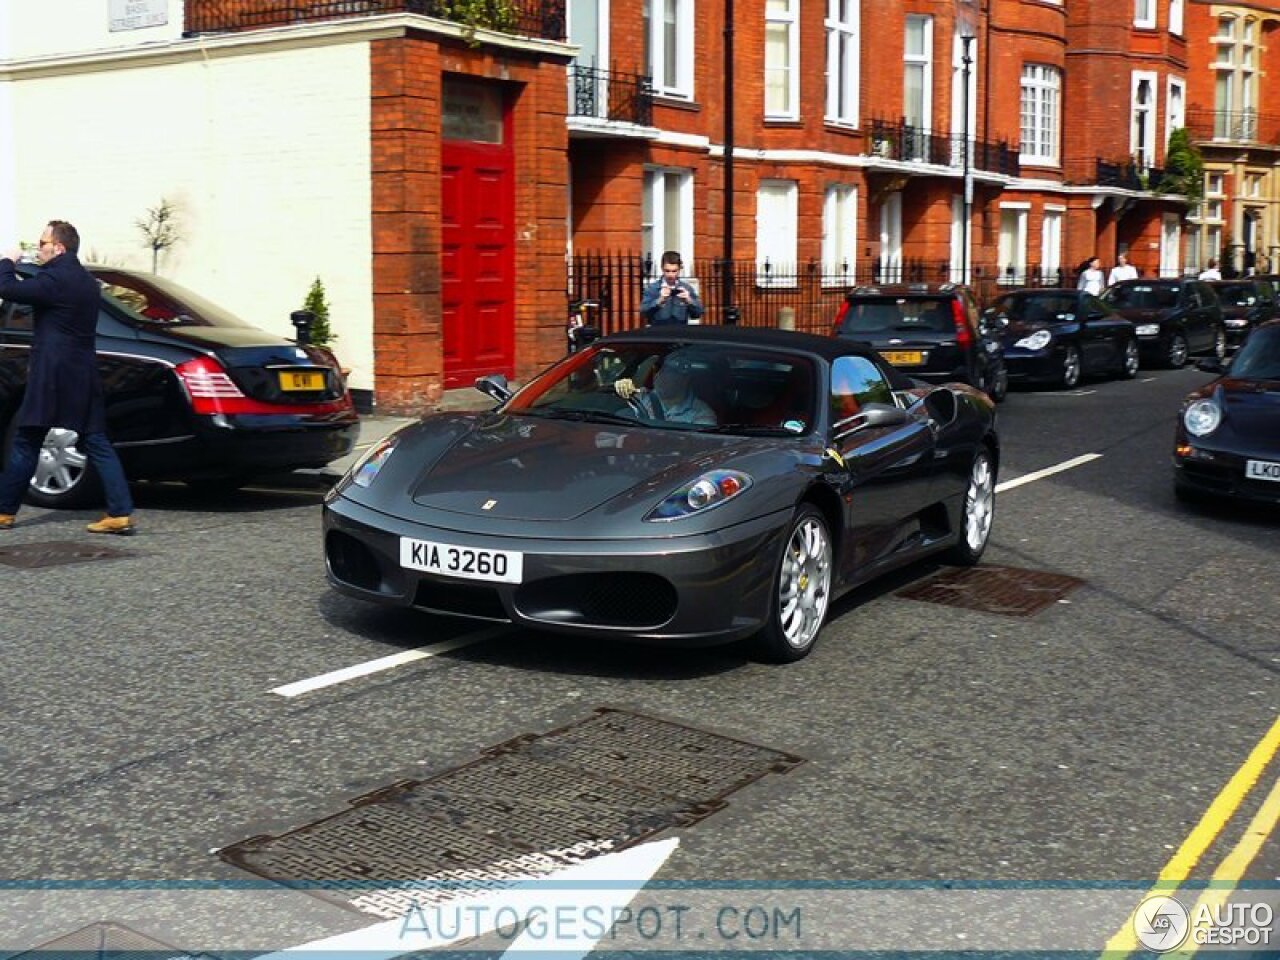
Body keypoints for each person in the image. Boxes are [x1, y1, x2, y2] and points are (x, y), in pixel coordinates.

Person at [0, 221, 136, 534]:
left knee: (26, 439)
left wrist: (8, 260)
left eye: (43, 241)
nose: (39, 246)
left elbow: (6, 288)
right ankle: (120, 512)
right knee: (96, 440)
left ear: (58, 247)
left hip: (51, 374)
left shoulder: (54, 279)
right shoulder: (88, 282)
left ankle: (5, 511)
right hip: (83, 373)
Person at [613, 354, 717, 425]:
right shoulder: (642, 397)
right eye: (658, 370)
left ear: (685, 379)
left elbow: (701, 447)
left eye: (669, 372)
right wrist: (620, 388)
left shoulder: (701, 413)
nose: (659, 375)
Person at [640, 250, 704, 326]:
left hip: (680, 334)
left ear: (679, 269)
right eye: (667, 271)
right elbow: (644, 312)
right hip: (658, 334)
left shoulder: (686, 288)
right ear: (662, 268)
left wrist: (689, 301)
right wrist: (660, 300)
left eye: (674, 271)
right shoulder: (653, 288)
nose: (670, 275)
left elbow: (698, 314)